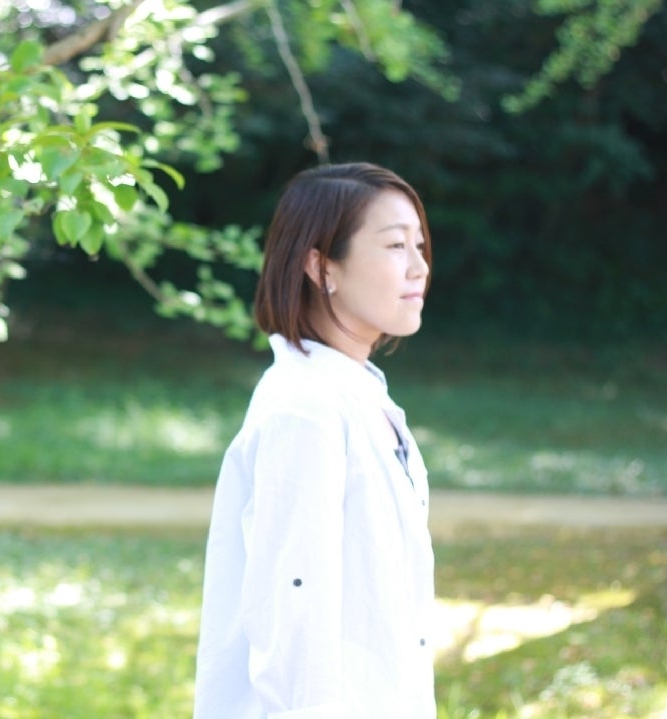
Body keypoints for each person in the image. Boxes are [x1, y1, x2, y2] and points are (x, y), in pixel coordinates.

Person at [192, 162, 436, 718]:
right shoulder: (305, 409)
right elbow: (294, 614)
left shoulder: (356, 393)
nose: (419, 267)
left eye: (419, 246)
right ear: (321, 266)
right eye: (395, 246)